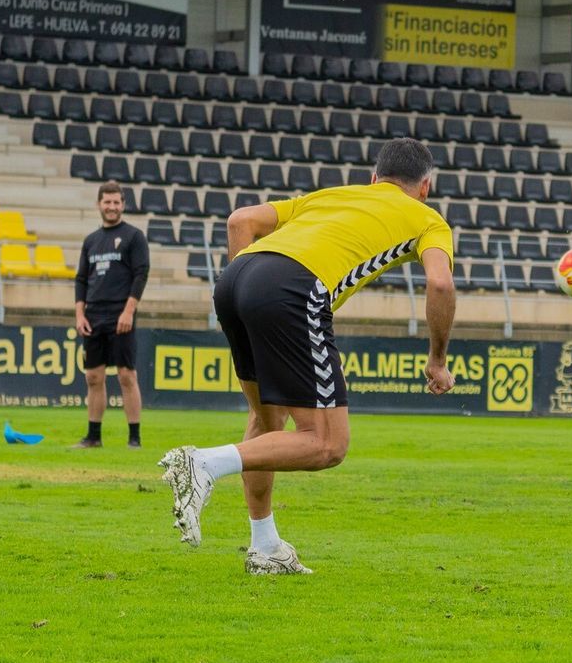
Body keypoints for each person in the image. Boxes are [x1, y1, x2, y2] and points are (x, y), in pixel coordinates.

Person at [159, 138, 457, 575]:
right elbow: (442, 285)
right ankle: (203, 462)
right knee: (327, 444)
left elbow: (241, 219)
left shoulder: (335, 195)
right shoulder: (429, 221)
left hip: (236, 279)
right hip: (292, 291)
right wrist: (437, 359)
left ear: (373, 178)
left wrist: (250, 297)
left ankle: (265, 547)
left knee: (266, 421)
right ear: (425, 187)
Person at [73, 180, 150, 449]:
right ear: (99, 204)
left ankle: (134, 438)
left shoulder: (133, 236)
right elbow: (81, 279)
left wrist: (129, 311)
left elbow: (141, 274)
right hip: (93, 316)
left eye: (117, 202)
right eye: (107, 202)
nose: (112, 206)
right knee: (93, 377)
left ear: (123, 205)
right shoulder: (91, 241)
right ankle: (93, 437)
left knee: (126, 376)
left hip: (121, 316)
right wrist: (79, 315)